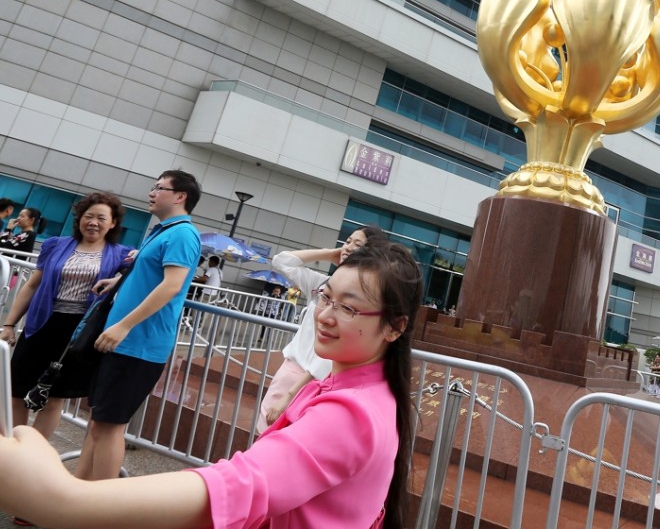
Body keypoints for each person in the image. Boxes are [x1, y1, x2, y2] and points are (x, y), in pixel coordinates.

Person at [0, 241, 422, 529]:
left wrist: (62, 499)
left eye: (348, 308)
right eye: (326, 297)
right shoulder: (352, 386)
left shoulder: (352, 413)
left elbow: (246, 484)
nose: (325, 315)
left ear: (394, 327)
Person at [78, 170, 202, 482]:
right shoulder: (162, 231)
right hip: (124, 341)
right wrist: (118, 280)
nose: (152, 192)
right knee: (99, 422)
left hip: (139, 344)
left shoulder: (183, 234)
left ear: (179, 197)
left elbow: (172, 286)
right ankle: (78, 490)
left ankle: (100, 506)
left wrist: (124, 325)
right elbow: (150, 277)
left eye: (160, 188)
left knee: (109, 427)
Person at [0, 193, 132, 440]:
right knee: (16, 391)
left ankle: (34, 457)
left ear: (113, 223)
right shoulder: (56, 245)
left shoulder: (121, 254)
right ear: (79, 219)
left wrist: (117, 278)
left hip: (78, 332)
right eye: (88, 216)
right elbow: (31, 286)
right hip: (41, 324)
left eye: (101, 218)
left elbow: (137, 278)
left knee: (53, 397)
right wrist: (9, 324)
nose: (93, 222)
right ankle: (13, 447)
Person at [255, 226, 384, 434]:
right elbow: (281, 261)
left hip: (311, 382)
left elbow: (330, 353)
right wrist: (328, 254)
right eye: (348, 241)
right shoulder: (322, 283)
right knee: (262, 439)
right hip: (288, 371)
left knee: (286, 447)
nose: (349, 247)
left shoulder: (360, 298)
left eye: (357, 245)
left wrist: (290, 394)